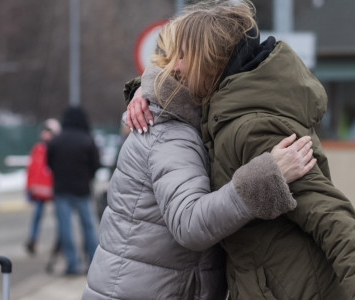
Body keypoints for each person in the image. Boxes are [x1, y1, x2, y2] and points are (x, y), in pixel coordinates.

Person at [124, 1, 355, 299]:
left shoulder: (252, 127)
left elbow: (331, 216)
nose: (176, 66)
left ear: (211, 61)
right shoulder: (223, 113)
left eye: (184, 56)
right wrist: (144, 91)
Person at [82, 28, 316, 300]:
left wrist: (145, 89)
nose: (177, 65)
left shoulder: (185, 122)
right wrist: (267, 177)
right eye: (175, 56)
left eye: (184, 55)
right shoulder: (172, 134)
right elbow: (190, 223)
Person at [47, 106, 100, 275]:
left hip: (61, 189)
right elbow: (96, 165)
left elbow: (49, 163)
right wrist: (86, 177)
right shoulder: (87, 139)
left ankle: (72, 264)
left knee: (65, 227)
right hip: (82, 189)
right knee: (88, 227)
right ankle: (92, 261)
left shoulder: (57, 140)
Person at [25, 118, 61, 255]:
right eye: (45, 131)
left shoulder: (56, 148)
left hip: (54, 190)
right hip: (39, 191)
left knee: (59, 217)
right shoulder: (38, 149)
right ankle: (32, 240)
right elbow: (31, 169)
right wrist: (29, 187)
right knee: (37, 217)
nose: (46, 134)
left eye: (49, 131)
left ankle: (60, 242)